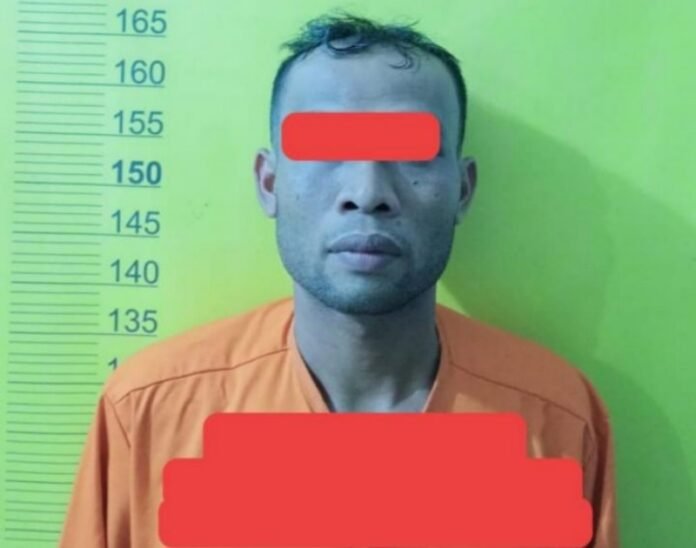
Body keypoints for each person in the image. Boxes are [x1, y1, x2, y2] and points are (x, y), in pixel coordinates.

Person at [59, 11, 618, 547]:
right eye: (325, 148)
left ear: (463, 190)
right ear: (269, 183)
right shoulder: (150, 413)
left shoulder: (556, 422)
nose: (367, 192)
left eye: (412, 153)